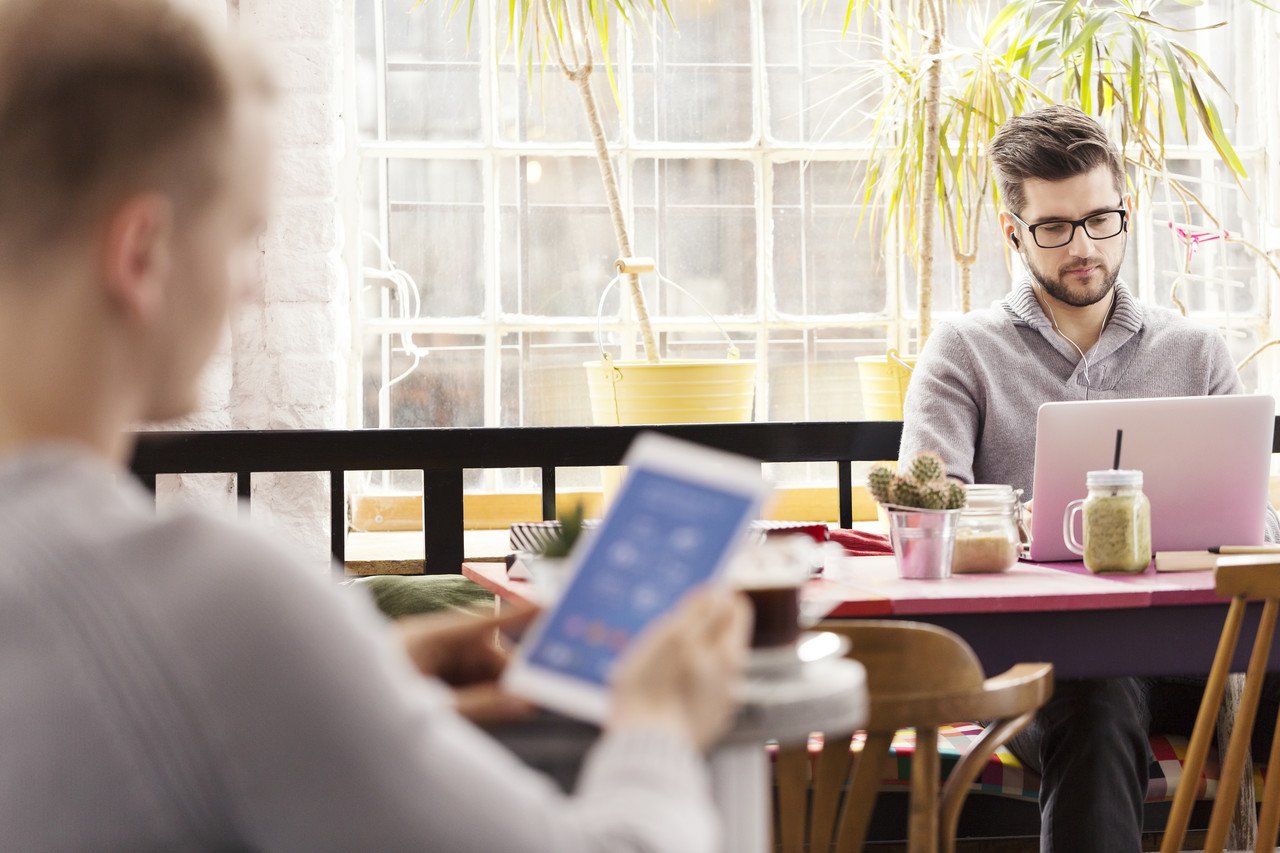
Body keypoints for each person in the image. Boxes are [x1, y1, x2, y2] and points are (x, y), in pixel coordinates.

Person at [0, 0, 752, 850]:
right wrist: (656, 724)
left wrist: (349, 683)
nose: (249, 286)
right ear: (142, 254)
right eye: (245, 233)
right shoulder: (208, 599)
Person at [898, 104, 1278, 852]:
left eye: (1101, 220)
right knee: (1100, 694)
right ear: (1014, 233)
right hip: (1051, 664)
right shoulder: (964, 353)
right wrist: (1017, 521)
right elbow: (925, 517)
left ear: (1125, 213)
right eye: (1055, 227)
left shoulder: (1196, 352)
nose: (1084, 247)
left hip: (1200, 652)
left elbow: (1258, 528)